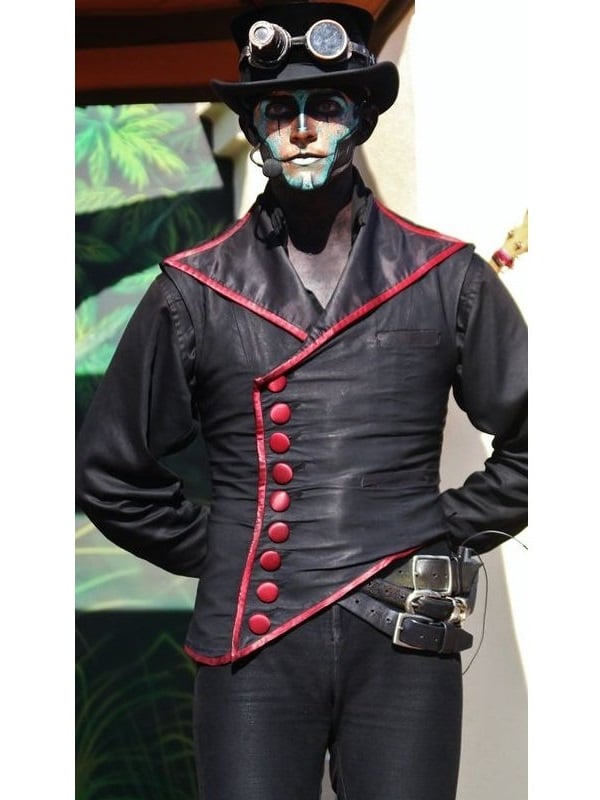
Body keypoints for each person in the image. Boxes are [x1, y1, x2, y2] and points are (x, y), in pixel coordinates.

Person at [75, 3, 527, 799]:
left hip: (405, 639)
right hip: (252, 643)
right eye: (279, 109)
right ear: (255, 128)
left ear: (360, 119)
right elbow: (110, 471)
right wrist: (229, 550)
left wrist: (446, 525)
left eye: (326, 106)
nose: (304, 128)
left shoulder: (446, 277)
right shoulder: (195, 290)